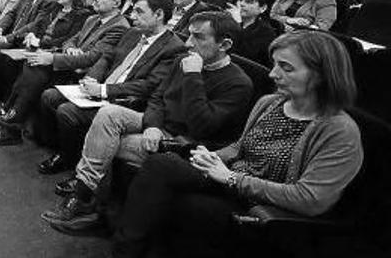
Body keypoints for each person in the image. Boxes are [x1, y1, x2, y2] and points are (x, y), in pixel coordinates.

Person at [108, 31, 363, 258]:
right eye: (275, 65)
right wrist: (211, 157)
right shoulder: (270, 102)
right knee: (161, 164)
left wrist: (231, 178)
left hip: (262, 204)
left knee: (181, 203)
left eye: (286, 68)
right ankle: (127, 249)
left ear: (321, 75)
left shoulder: (339, 130)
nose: (273, 74)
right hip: (229, 179)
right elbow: (241, 147)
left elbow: (310, 199)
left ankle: (130, 248)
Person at [42, 12, 254, 234]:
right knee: (108, 113)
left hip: (184, 142)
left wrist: (193, 77)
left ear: (225, 44)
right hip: (160, 125)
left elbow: (201, 126)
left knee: (107, 144)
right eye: (189, 35)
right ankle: (84, 194)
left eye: (198, 37)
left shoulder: (238, 83)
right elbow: (158, 97)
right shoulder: (184, 60)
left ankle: (97, 211)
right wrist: (152, 125)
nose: (189, 43)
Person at [37, 0, 187, 170]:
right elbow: (107, 58)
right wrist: (93, 77)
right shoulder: (133, 33)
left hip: (127, 101)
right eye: (133, 11)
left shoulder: (174, 47)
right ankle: (63, 148)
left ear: (159, 14)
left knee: (67, 111)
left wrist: (103, 89)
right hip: (102, 88)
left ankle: (69, 159)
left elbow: (148, 86)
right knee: (49, 96)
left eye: (139, 12)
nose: (133, 16)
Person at [0, 0, 123, 147]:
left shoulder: (118, 26)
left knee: (36, 67)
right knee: (32, 64)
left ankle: (11, 121)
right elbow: (71, 40)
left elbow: (92, 58)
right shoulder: (93, 18)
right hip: (70, 62)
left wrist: (53, 58)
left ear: (117, 3)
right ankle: (11, 118)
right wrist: (71, 49)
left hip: (86, 75)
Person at [227, 0, 278, 67]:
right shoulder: (229, 20)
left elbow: (242, 55)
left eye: (249, 1)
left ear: (263, 8)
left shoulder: (266, 33)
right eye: (240, 0)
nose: (242, 4)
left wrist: (236, 24)